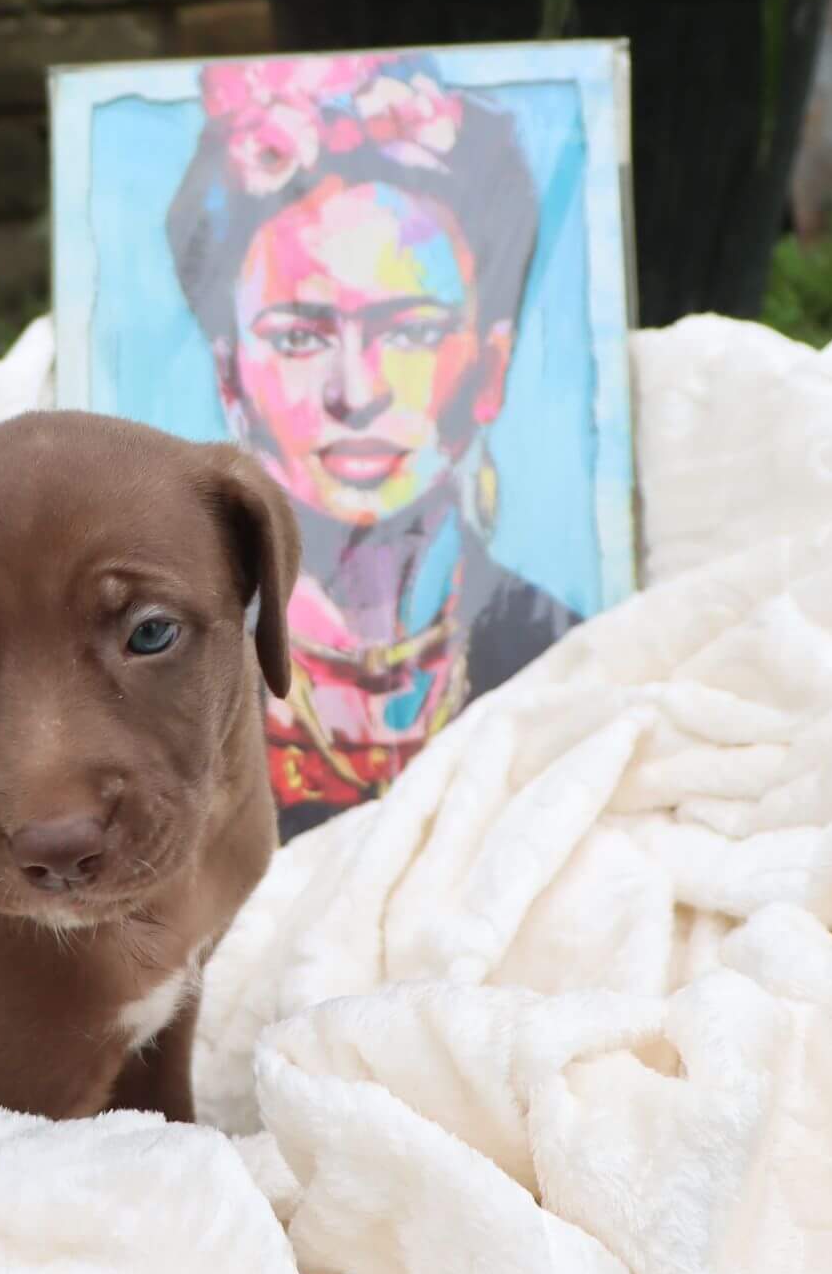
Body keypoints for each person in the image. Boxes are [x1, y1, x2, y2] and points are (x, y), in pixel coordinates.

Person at [166, 51, 578, 838]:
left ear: (490, 368)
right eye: (298, 337)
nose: (356, 391)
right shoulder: (167, 676)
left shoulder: (556, 653)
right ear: (231, 381)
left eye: (413, 331)